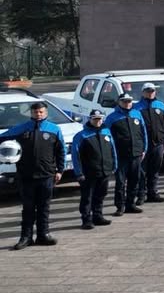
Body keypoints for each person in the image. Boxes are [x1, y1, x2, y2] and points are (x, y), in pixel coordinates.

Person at [0, 102, 66, 249]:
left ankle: (43, 235)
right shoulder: (21, 129)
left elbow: (61, 151)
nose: (39, 114)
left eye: (41, 112)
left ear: (46, 112)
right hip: (26, 176)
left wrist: (60, 170)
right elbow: (2, 139)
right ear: (31, 113)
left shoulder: (54, 129)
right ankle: (26, 237)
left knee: (44, 207)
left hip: (47, 175)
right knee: (28, 208)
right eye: (36, 112)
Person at [71, 109, 116, 230]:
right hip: (88, 173)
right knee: (87, 197)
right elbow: (75, 156)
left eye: (100, 119)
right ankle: (86, 219)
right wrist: (79, 173)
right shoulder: (81, 136)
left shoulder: (106, 132)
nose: (98, 121)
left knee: (101, 194)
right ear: (90, 119)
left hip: (104, 170)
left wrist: (114, 165)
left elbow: (113, 150)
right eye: (95, 119)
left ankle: (98, 216)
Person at [104, 93, 146, 216]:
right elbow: (107, 137)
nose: (127, 103)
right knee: (121, 182)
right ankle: (120, 206)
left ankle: (130, 204)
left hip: (136, 153)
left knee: (134, 180)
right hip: (121, 155)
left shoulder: (136, 114)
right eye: (124, 101)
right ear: (119, 102)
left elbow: (143, 133)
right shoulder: (112, 118)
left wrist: (144, 149)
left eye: (129, 101)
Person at [136, 83, 164, 205]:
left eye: (152, 91)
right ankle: (140, 195)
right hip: (143, 146)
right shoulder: (137, 107)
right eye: (147, 91)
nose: (150, 93)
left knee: (155, 170)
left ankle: (153, 193)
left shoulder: (161, 106)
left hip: (159, 143)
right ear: (143, 92)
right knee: (142, 171)